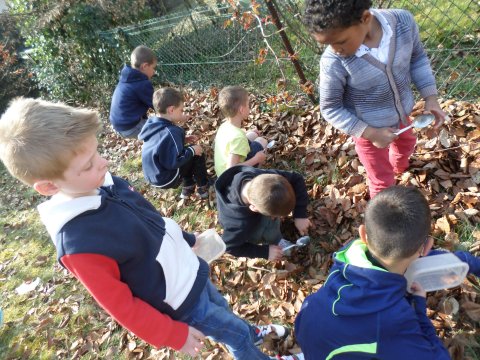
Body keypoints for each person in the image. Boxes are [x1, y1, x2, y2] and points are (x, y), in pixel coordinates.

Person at [0, 98, 304, 360]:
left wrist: (188, 239)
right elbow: (121, 306)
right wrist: (171, 334)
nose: (104, 163)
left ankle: (251, 331)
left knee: (221, 307)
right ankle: (250, 342)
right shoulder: (79, 244)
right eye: (89, 164)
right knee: (233, 335)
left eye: (97, 153)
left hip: (188, 268)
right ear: (49, 186)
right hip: (180, 303)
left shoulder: (103, 182)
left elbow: (152, 220)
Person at [294, 186, 480, 359]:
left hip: (309, 327)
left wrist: (470, 263)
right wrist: (419, 310)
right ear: (425, 248)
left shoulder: (349, 258)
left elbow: (425, 257)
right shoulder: (393, 323)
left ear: (363, 234)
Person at [303, 0, 449, 198]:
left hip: (403, 118)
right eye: (328, 44)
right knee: (382, 180)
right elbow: (330, 108)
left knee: (406, 145)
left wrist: (430, 99)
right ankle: (385, 218)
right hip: (368, 131)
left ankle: (398, 167)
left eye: (340, 41)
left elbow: (417, 59)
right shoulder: (334, 61)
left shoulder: (403, 23)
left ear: (365, 18)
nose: (335, 49)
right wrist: (370, 133)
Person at [215, 165, 311, 261]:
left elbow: (297, 178)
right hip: (247, 229)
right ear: (254, 208)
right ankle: (276, 240)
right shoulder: (238, 224)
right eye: (274, 216)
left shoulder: (266, 180)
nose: (277, 218)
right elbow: (229, 246)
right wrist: (264, 252)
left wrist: (300, 214)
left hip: (251, 209)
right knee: (269, 230)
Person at [139, 87, 210, 199]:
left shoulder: (151, 124)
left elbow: (162, 144)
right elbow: (175, 161)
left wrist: (184, 140)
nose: (182, 112)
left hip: (153, 177)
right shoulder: (172, 131)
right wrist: (192, 150)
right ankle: (202, 187)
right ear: (171, 110)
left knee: (188, 152)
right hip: (167, 178)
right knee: (197, 153)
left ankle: (189, 186)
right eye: (181, 110)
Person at [214, 86, 268, 177]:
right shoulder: (238, 138)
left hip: (221, 172)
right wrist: (256, 159)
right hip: (230, 179)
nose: (249, 107)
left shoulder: (224, 126)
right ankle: (253, 176)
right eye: (248, 105)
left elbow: (233, 139)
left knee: (252, 135)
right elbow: (231, 169)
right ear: (241, 110)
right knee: (262, 141)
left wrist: (249, 133)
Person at [109, 45, 157, 138]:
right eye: (153, 68)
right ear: (145, 66)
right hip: (130, 127)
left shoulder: (127, 78)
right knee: (163, 130)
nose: (154, 71)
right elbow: (158, 105)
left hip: (120, 125)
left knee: (156, 123)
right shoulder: (142, 83)